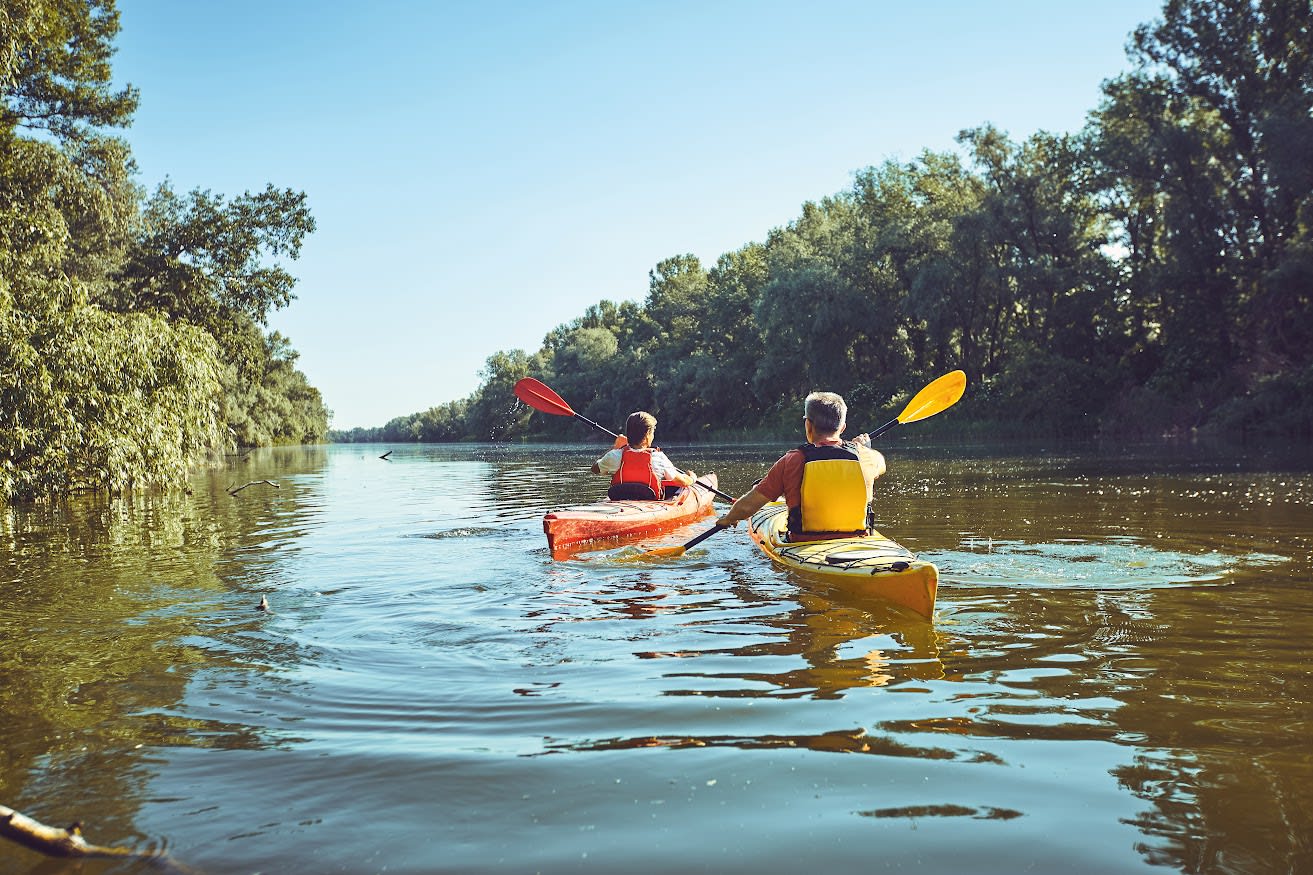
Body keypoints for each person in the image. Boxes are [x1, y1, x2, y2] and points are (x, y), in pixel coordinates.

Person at [715, 391, 885, 540]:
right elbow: (881, 465)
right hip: (857, 539)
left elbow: (748, 506)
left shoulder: (792, 460)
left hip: (804, 542)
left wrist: (729, 518)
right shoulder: (867, 457)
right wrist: (862, 448)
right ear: (842, 428)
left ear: (808, 424)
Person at [591, 411, 698, 501]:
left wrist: (615, 447)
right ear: (647, 434)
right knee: (677, 490)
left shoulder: (614, 455)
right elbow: (682, 482)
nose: (653, 436)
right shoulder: (658, 458)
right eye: (652, 433)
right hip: (650, 504)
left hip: (620, 500)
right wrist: (692, 478)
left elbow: (595, 469)